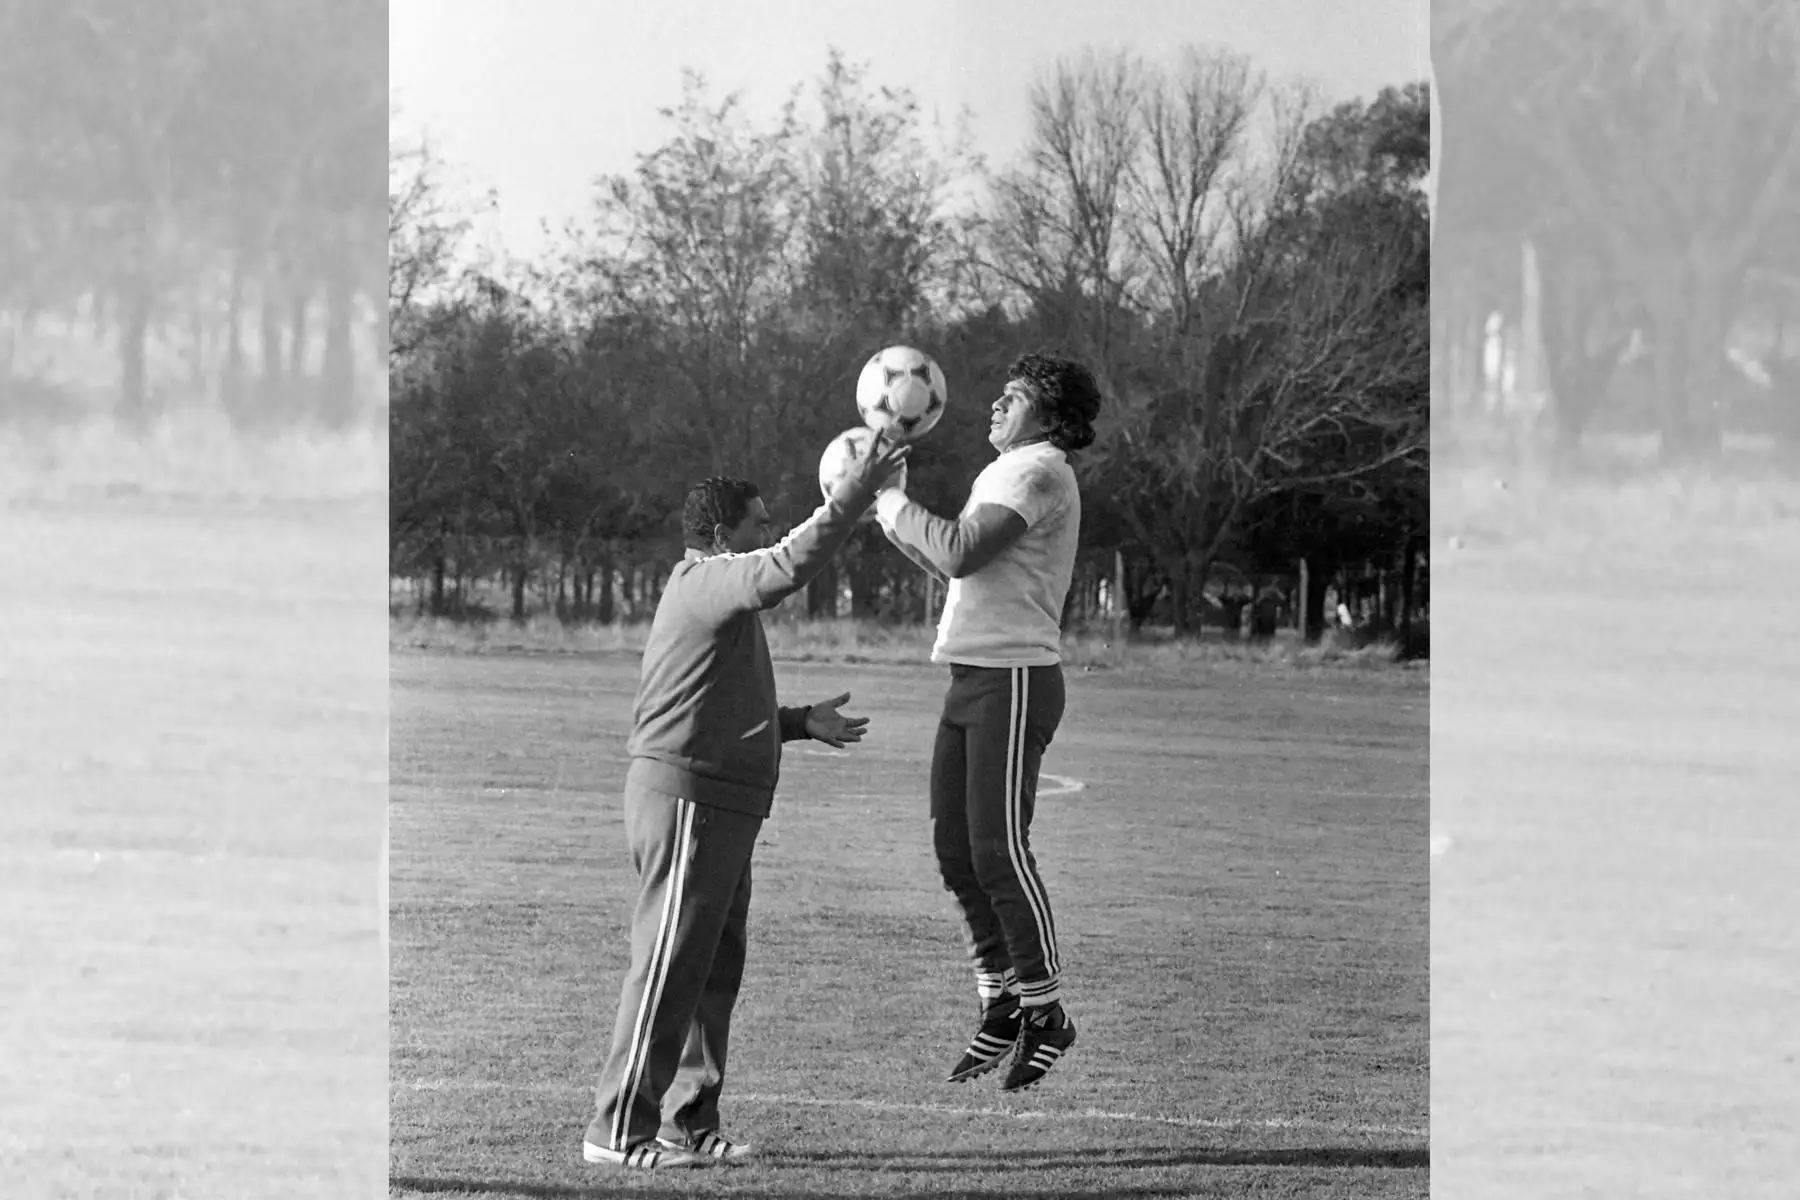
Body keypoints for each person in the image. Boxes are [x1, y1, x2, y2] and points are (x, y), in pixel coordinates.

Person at [583, 433, 909, 1171]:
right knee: (669, 963)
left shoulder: (718, 593)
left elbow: (713, 698)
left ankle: (686, 1121)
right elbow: (790, 564)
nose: (769, 531)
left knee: (709, 969)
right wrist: (854, 493)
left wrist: (796, 724)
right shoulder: (707, 580)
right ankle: (615, 1132)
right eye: (758, 522)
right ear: (724, 533)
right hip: (687, 801)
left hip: (722, 806)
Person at [874, 353, 1101, 1092]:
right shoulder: (1005, 470)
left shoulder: (1041, 470)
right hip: (973, 676)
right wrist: (884, 505)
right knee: (955, 850)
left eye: (1016, 396)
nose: (996, 405)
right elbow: (948, 562)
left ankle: (1047, 1010)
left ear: (1054, 416)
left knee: (998, 850)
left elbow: (964, 552)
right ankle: (1000, 999)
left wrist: (891, 502)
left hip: (1016, 678)